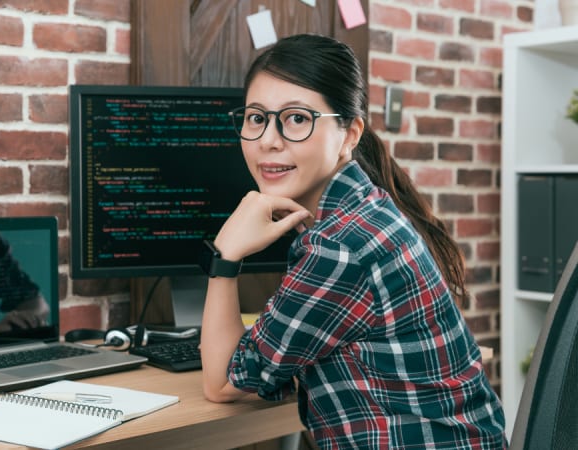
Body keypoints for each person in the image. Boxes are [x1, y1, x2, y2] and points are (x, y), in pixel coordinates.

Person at [199, 34, 507, 449]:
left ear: (349, 134)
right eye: (257, 118)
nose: (269, 140)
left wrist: (226, 254)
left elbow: (221, 382)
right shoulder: (366, 211)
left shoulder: (340, 245)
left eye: (297, 118)